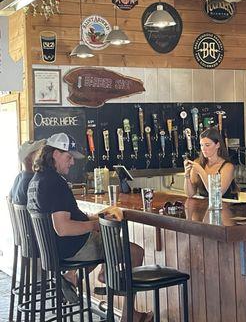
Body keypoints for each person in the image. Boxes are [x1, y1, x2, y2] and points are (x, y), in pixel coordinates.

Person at [27, 132, 153, 322]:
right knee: (135, 252)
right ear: (55, 154)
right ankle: (126, 311)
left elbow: (68, 218)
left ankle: (81, 276)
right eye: (69, 157)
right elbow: (63, 228)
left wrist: (96, 218)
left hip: (55, 250)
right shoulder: (55, 183)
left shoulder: (36, 181)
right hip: (72, 248)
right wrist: (95, 225)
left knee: (105, 233)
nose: (71, 163)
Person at [184, 127, 238, 199]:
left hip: (224, 207)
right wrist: (187, 175)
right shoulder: (198, 163)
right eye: (201, 145)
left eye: (207, 145)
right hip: (204, 208)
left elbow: (217, 194)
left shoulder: (227, 167)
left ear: (217, 145)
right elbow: (190, 194)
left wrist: (201, 172)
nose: (203, 149)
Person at [9, 139, 46, 205]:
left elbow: (10, 198)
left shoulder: (18, 177)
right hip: (31, 215)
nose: (42, 155)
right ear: (28, 160)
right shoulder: (34, 181)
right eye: (38, 153)